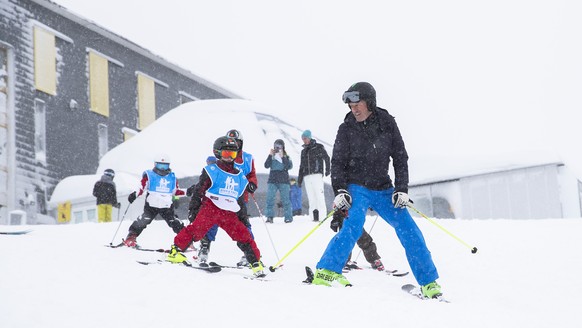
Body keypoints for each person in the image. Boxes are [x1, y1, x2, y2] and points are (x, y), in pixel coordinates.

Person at [312, 82, 442, 299]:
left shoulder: (387, 123)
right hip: (357, 187)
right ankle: (326, 271)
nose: (354, 108)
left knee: (409, 230)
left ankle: (429, 284)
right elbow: (337, 163)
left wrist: (401, 189)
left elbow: (400, 157)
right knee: (352, 225)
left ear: (369, 102)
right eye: (350, 105)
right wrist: (341, 190)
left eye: (357, 103)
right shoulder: (346, 128)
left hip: (384, 188)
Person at [168, 136, 265, 277]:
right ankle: (175, 251)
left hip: (229, 212)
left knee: (243, 235)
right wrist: (193, 210)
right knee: (196, 230)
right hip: (211, 208)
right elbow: (199, 191)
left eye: (232, 154)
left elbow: (239, 200)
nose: (229, 157)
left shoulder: (240, 176)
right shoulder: (211, 170)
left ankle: (255, 262)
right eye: (226, 153)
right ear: (218, 153)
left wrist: (243, 218)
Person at [193, 129, 258, 266]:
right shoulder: (222, 157)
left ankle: (250, 254)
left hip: (237, 197)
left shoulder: (247, 158)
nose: (234, 145)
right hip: (219, 197)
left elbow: (252, 174)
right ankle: (204, 247)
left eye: (237, 142)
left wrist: (251, 184)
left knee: (243, 226)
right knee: (211, 222)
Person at [123, 155, 185, 247]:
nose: (163, 169)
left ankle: (185, 241)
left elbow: (176, 191)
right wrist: (135, 195)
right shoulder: (149, 175)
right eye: (160, 166)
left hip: (166, 205)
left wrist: (188, 192)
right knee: (144, 220)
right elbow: (142, 187)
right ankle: (131, 238)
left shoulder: (172, 177)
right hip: (152, 203)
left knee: (174, 222)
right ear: (155, 164)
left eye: (165, 166)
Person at [297, 129, 330, 222]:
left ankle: (323, 216)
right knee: (311, 198)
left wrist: (328, 169)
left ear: (310, 137)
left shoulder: (318, 147)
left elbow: (326, 158)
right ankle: (314, 217)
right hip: (307, 176)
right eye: (303, 138)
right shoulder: (303, 151)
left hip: (317, 175)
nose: (304, 140)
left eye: (305, 138)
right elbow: (301, 166)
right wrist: (299, 180)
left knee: (319, 196)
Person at [264, 139, 293, 223]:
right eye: (276, 146)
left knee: (285, 200)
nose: (277, 148)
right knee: (270, 199)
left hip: (284, 181)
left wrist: (283, 157)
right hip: (272, 180)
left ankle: (288, 217)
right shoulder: (272, 156)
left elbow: (289, 166)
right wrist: (270, 155)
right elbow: (266, 165)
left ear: (283, 147)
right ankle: (269, 217)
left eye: (279, 146)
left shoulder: (286, 156)